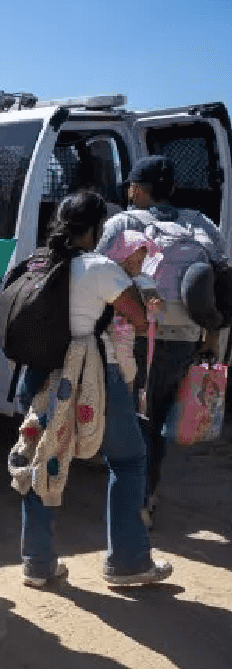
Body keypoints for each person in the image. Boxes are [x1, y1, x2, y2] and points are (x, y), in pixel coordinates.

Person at [11, 191, 172, 588]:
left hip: (38, 373)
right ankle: (128, 562)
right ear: (98, 227)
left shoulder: (35, 261)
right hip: (89, 377)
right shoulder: (98, 267)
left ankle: (38, 563)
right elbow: (138, 319)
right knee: (129, 459)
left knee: (40, 457)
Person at [96, 155, 230, 527]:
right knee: (154, 420)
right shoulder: (201, 224)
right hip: (184, 338)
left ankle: (131, 502)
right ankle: (146, 499)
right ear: (171, 189)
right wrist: (213, 335)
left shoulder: (122, 223)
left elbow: (98, 276)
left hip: (132, 337)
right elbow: (220, 283)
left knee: (132, 419)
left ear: (136, 190)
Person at [99, 229, 163, 390]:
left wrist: (153, 305)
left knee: (128, 368)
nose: (140, 265)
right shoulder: (111, 276)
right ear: (123, 258)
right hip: (106, 331)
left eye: (142, 261)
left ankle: (127, 390)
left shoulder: (144, 281)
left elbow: (153, 300)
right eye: (136, 261)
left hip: (125, 331)